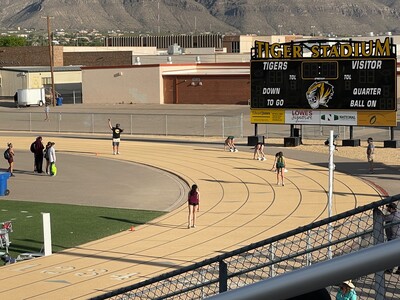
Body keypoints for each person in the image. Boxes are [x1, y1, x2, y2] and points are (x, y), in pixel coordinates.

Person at [383, 202, 400, 274]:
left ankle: (389, 269)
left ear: (391, 209)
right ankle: (399, 269)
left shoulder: (392, 217)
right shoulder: (398, 214)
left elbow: (382, 218)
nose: (387, 209)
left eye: (388, 207)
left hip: (393, 238)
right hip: (398, 237)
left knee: (391, 254)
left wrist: (378, 212)